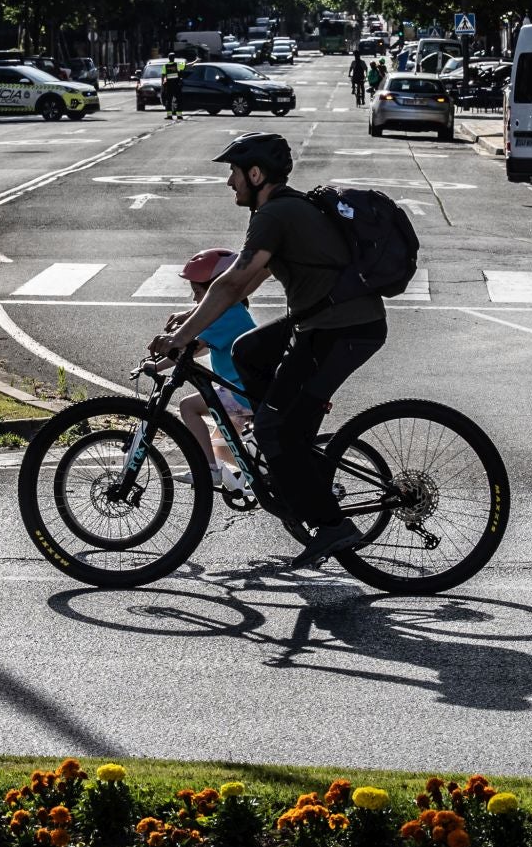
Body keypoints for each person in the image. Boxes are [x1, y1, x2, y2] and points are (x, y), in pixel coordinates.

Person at [149, 131, 386, 569]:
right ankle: (277, 435)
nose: (230, 183)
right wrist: (193, 319)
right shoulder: (280, 210)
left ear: (256, 174)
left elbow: (234, 282)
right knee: (247, 349)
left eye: (234, 173)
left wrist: (182, 338)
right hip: (326, 320)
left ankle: (331, 524)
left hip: (343, 328)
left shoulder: (275, 215)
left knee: (279, 427)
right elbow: (245, 285)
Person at [173, 247, 254, 495]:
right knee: (222, 447)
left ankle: (209, 470)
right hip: (239, 390)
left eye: (198, 293)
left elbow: (193, 349)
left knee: (188, 407)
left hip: (240, 393)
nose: (196, 300)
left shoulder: (227, 314)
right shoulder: (231, 311)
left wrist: (157, 364)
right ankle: (251, 478)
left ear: (216, 289)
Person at [161, 51, 186, 121]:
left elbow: (163, 76)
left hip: (169, 86)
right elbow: (186, 66)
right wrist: (195, 61)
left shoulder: (165, 66)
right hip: (177, 85)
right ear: (174, 58)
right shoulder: (178, 65)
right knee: (179, 100)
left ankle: (169, 116)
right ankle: (179, 116)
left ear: (168, 58)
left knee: (169, 101)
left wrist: (163, 84)